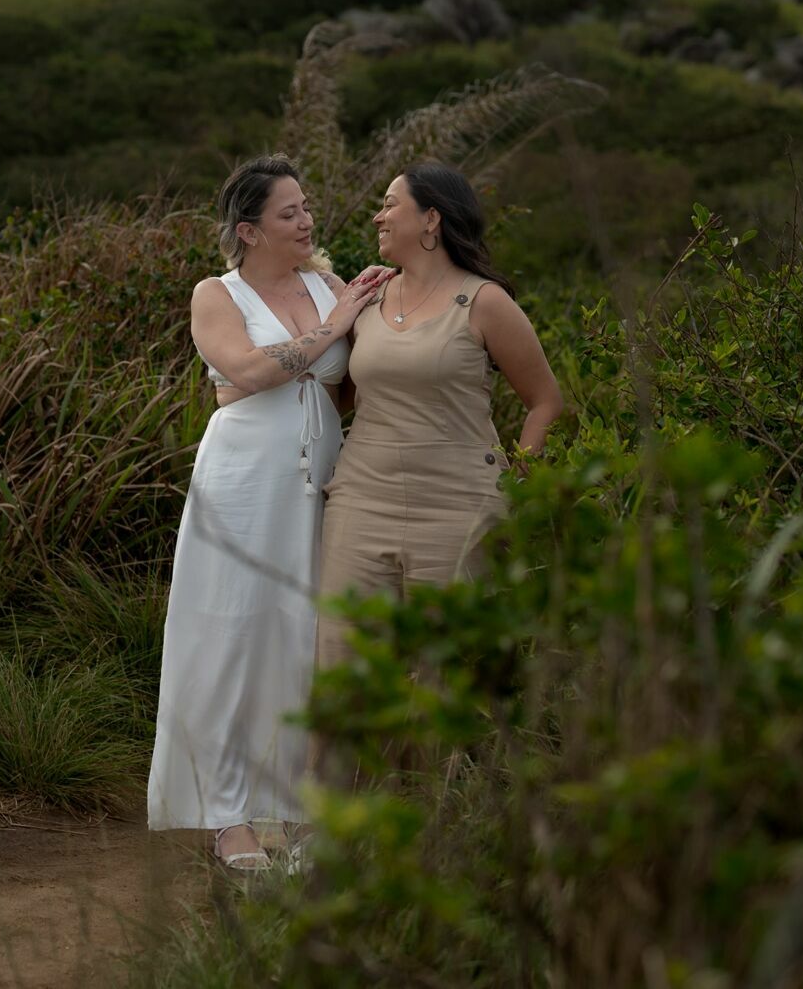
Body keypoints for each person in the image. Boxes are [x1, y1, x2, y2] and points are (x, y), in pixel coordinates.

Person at [147, 154, 390, 870]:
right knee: (233, 633)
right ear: (249, 230)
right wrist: (332, 329)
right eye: (289, 211)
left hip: (323, 483)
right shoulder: (216, 293)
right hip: (243, 482)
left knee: (309, 635)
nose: (307, 219)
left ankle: (301, 806)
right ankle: (226, 816)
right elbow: (247, 373)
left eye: (307, 206)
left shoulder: (331, 283)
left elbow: (352, 381)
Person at [315, 163, 564, 731]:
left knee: (448, 679)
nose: (377, 215)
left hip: (458, 510)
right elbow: (342, 396)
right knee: (343, 662)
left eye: (389, 203)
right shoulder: (368, 296)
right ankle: (336, 816)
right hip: (360, 503)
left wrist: (517, 486)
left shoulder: (484, 302)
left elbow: (545, 402)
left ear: (431, 218)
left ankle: (442, 815)